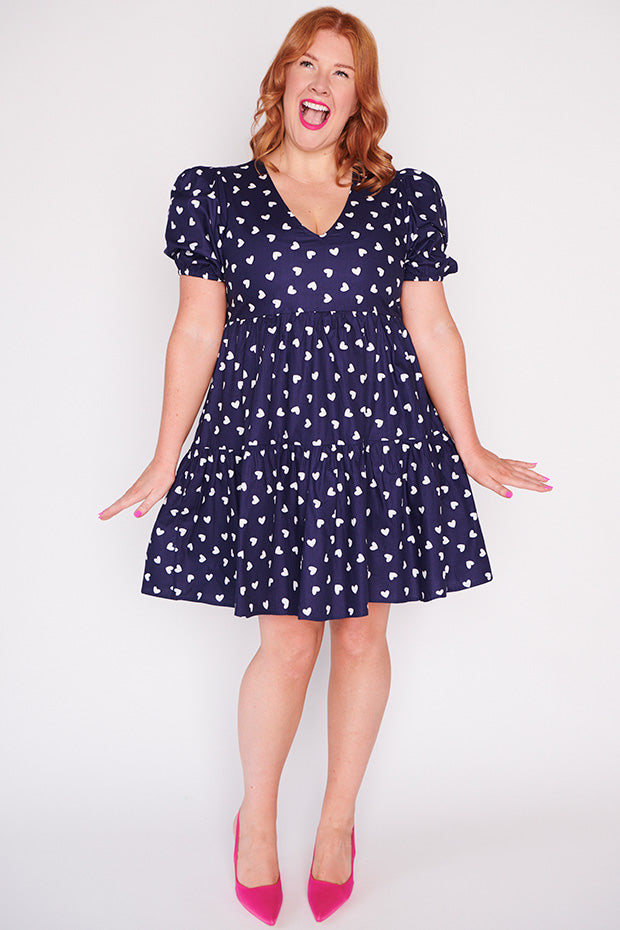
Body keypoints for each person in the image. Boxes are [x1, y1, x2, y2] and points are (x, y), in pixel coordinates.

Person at [98, 5, 552, 924]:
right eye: (307, 64)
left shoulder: (405, 197)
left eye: (342, 72)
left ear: (359, 98)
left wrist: (471, 446)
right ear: (282, 79)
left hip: (378, 440)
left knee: (360, 636)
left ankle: (337, 824)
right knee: (288, 642)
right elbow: (197, 330)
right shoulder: (215, 195)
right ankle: (258, 824)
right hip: (269, 440)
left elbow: (432, 326)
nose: (320, 83)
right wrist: (164, 456)